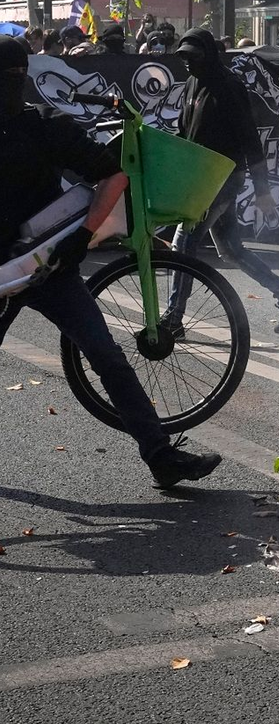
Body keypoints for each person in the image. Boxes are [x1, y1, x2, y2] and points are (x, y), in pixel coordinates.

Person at [0, 38, 221, 486]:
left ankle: (160, 456)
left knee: (109, 359)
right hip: (7, 273)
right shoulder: (44, 125)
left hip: (48, 266)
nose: (13, 84)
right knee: (109, 360)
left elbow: (114, 174)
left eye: (16, 75)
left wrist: (80, 240)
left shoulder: (45, 126)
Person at [164, 29, 279, 334]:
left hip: (223, 177)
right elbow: (184, 132)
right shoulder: (192, 83)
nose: (189, 63)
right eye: (184, 57)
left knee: (184, 241)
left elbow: (250, 140)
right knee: (230, 248)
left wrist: (263, 190)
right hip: (201, 177)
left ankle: (173, 319)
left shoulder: (229, 87)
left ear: (209, 55)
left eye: (194, 56)